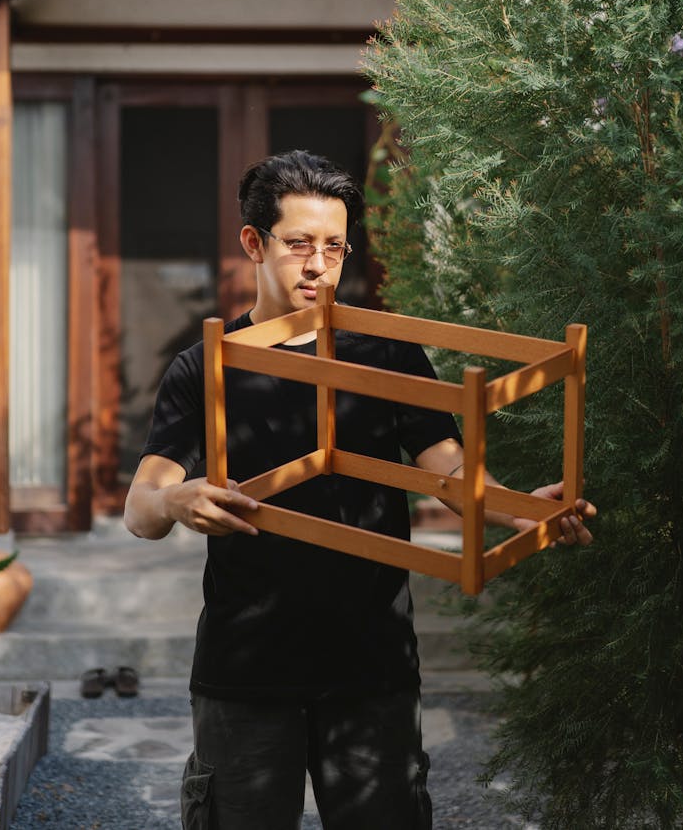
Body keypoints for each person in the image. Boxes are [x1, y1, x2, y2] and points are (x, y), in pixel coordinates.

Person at [124, 149, 595, 830]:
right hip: (247, 674)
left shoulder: (388, 353)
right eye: (299, 245)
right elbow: (142, 510)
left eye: (335, 247)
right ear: (254, 243)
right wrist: (176, 498)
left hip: (372, 667)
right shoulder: (205, 364)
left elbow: (456, 474)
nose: (319, 265)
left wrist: (524, 511)